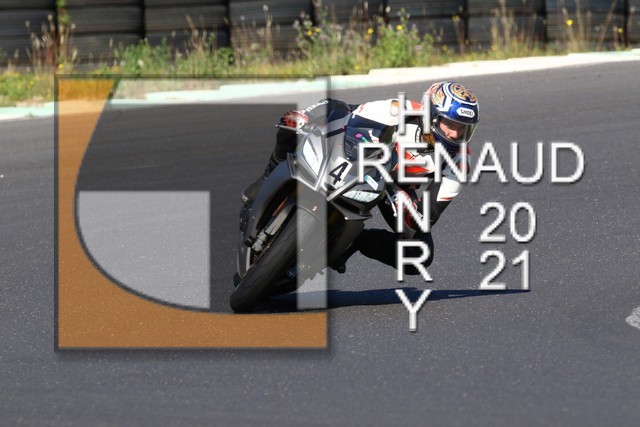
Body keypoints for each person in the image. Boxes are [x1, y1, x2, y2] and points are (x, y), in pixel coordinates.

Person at [240, 81, 480, 274]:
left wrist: (409, 208)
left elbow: (429, 214)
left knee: (420, 254)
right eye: (450, 124)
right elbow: (351, 114)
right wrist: (308, 117)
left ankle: (354, 241)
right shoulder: (400, 109)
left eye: (463, 128)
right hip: (365, 155)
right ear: (431, 114)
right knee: (304, 119)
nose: (455, 134)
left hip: (395, 188)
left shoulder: (460, 162)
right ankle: (265, 180)